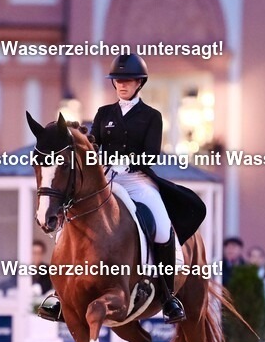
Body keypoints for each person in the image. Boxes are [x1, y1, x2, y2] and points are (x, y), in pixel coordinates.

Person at [37, 54, 205, 324]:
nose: (122, 85)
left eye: (127, 81)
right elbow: (95, 144)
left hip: (138, 181)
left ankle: (167, 293)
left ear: (139, 83)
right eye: (118, 81)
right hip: (106, 179)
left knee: (161, 226)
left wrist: (126, 163)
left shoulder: (152, 116)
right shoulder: (104, 113)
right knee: (68, 225)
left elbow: (151, 154)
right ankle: (60, 293)